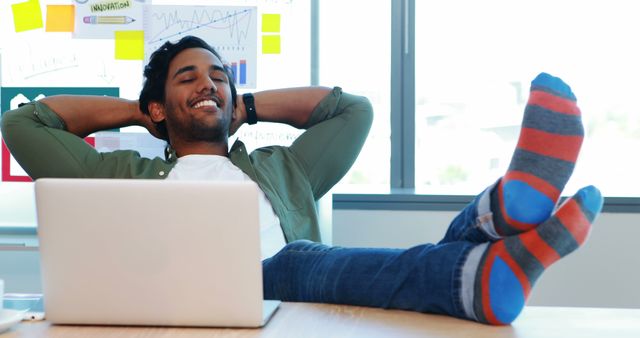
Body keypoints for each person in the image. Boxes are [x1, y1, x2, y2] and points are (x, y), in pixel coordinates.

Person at [1, 35, 602, 325]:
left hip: (287, 297)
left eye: (217, 75)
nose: (207, 83)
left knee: (300, 260)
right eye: (186, 78)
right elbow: (24, 123)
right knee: (303, 258)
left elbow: (355, 111)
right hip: (195, 295)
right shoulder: (122, 174)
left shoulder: (281, 168)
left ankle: (491, 237)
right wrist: (144, 110)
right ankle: (492, 221)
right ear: (159, 106)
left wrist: (247, 105)